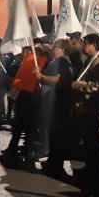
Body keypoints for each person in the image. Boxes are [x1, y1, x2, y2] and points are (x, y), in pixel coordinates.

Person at [71, 33, 99, 197]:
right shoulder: (91, 59)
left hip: (91, 109)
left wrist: (79, 85)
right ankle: (90, 173)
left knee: (92, 144)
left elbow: (96, 86)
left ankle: (95, 178)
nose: (82, 46)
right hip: (85, 108)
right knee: (88, 144)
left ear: (93, 44)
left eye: (85, 43)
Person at [39, 39, 74, 179]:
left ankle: (55, 166)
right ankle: (53, 163)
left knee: (56, 137)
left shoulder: (62, 62)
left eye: (56, 46)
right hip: (58, 105)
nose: (53, 49)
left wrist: (42, 77)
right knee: (54, 137)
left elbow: (57, 79)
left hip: (58, 105)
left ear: (62, 49)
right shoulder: (62, 62)